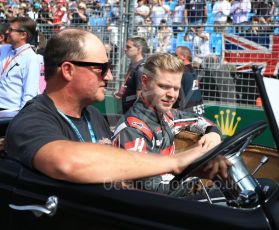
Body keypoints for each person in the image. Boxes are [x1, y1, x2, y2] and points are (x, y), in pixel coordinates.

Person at [5, 28, 227, 184]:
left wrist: (194, 169)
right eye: (102, 68)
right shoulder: (33, 120)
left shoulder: (92, 115)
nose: (110, 75)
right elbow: (67, 162)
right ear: (68, 70)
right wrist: (176, 163)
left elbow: (118, 173)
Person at [112, 53, 224, 194]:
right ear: (145, 82)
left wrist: (213, 134)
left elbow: (203, 121)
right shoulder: (132, 129)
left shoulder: (168, 115)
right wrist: (196, 183)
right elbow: (151, 188)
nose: (172, 95)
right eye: (164, 87)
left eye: (176, 88)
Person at [0, 17, 41, 110]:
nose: (7, 32)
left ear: (23, 35)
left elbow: (29, 94)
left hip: (11, 112)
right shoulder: (4, 49)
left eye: (11, 30)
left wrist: (21, 118)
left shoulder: (31, 58)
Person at [114, 37, 148, 113]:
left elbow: (140, 97)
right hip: (127, 109)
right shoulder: (133, 65)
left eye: (128, 47)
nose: (125, 49)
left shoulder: (141, 69)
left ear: (139, 49)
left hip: (134, 114)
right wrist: (121, 94)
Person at [174, 46, 204, 115]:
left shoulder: (181, 72)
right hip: (199, 110)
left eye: (176, 55)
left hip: (186, 114)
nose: (174, 58)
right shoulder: (193, 71)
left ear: (183, 57)